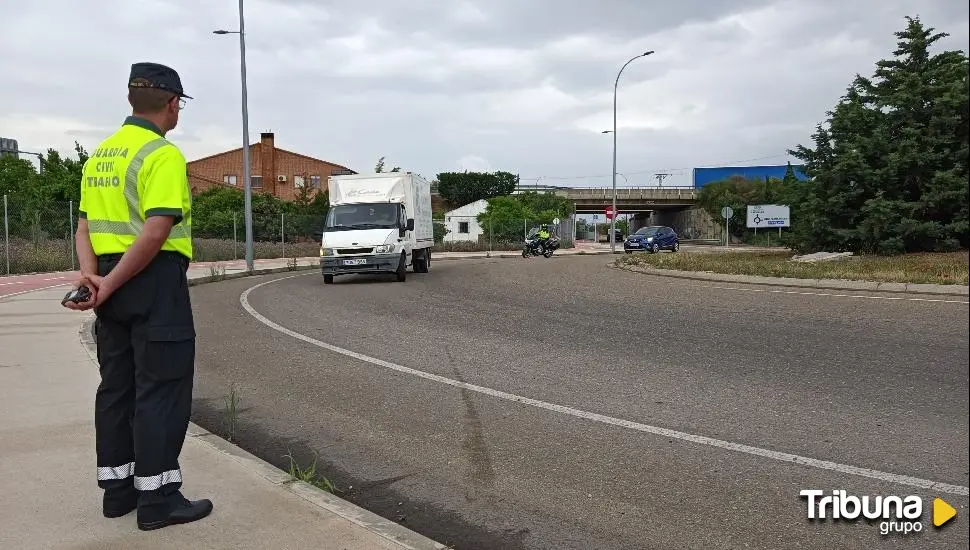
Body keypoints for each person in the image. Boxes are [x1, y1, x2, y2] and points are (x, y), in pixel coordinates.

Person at [63, 62, 212, 531]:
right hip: (150, 280)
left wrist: (93, 278)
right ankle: (159, 499)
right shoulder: (161, 155)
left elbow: (84, 225)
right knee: (161, 388)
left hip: (108, 279)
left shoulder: (101, 156)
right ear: (173, 104)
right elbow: (156, 230)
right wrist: (113, 281)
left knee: (117, 388)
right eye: (179, 106)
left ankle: (118, 492)